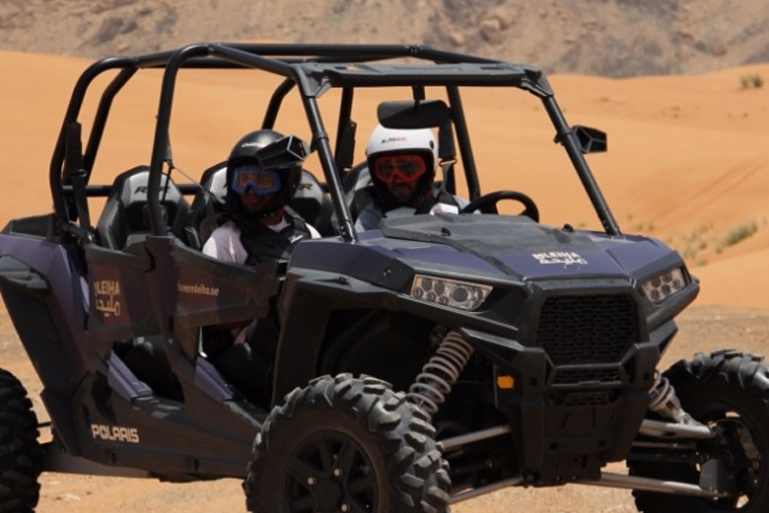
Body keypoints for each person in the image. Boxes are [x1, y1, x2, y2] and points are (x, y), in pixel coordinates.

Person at [202, 128, 319, 405]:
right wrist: (270, 303)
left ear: (286, 184)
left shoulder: (309, 235)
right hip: (249, 356)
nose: (250, 193)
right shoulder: (225, 240)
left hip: (305, 344)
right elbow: (211, 316)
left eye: (262, 182)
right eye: (243, 182)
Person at [354, 124, 462, 231]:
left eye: (407, 169)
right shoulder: (369, 221)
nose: (398, 179)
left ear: (428, 168)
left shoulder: (457, 209)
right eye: (387, 170)